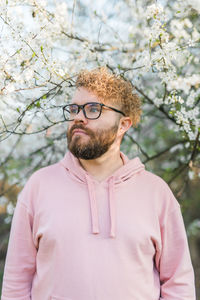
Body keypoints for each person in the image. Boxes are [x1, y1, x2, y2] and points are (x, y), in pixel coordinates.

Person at [1, 67, 196, 300]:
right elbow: (16, 285)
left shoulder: (156, 193)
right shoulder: (38, 187)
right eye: (74, 109)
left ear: (123, 124)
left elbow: (179, 284)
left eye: (93, 109)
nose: (78, 117)